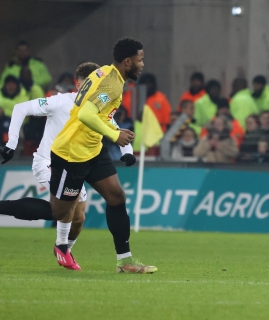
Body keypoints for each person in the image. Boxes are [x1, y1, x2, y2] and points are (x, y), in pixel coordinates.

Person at [0, 38, 156, 273]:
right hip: (71, 154)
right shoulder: (111, 84)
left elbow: (98, 114)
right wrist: (114, 137)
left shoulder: (104, 73)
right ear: (127, 61)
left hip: (92, 150)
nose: (143, 64)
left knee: (116, 197)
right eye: (140, 59)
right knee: (60, 212)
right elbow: (85, 114)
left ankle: (125, 262)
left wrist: (116, 133)